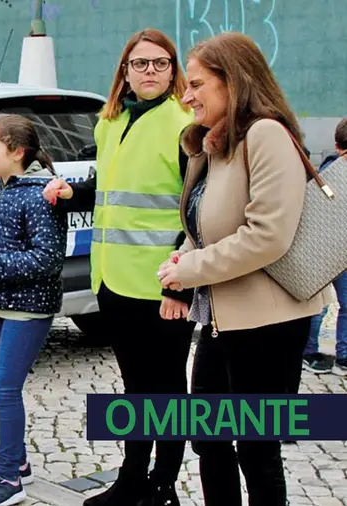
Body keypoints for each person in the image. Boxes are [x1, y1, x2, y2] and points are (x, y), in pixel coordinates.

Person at [156, 32, 328, 506]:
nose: (186, 95)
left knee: (256, 448)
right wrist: (183, 256)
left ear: (232, 82)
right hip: (220, 317)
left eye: (196, 84)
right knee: (208, 439)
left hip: (269, 322)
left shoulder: (266, 134)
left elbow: (267, 235)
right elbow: (205, 227)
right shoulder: (211, 145)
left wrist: (191, 269)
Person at [42, 28, 196, 506]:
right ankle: (131, 479)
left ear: (173, 71)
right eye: (140, 63)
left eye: (160, 63)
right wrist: (74, 194)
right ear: (124, 71)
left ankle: (163, 484)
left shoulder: (185, 123)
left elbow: (195, 211)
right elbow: (110, 189)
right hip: (112, 281)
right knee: (135, 389)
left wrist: (182, 287)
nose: (149, 71)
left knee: (169, 390)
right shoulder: (109, 122)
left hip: (163, 286)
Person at [0, 114, 67, 506]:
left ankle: (9, 479)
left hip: (29, 308)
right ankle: (16, 462)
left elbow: (48, 258)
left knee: (6, 388)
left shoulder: (41, 194)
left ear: (17, 152)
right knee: (0, 386)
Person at [303, 117, 347, 375]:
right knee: (320, 305)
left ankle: (343, 356)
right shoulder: (328, 175)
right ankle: (310, 352)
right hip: (324, 250)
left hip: (339, 252)